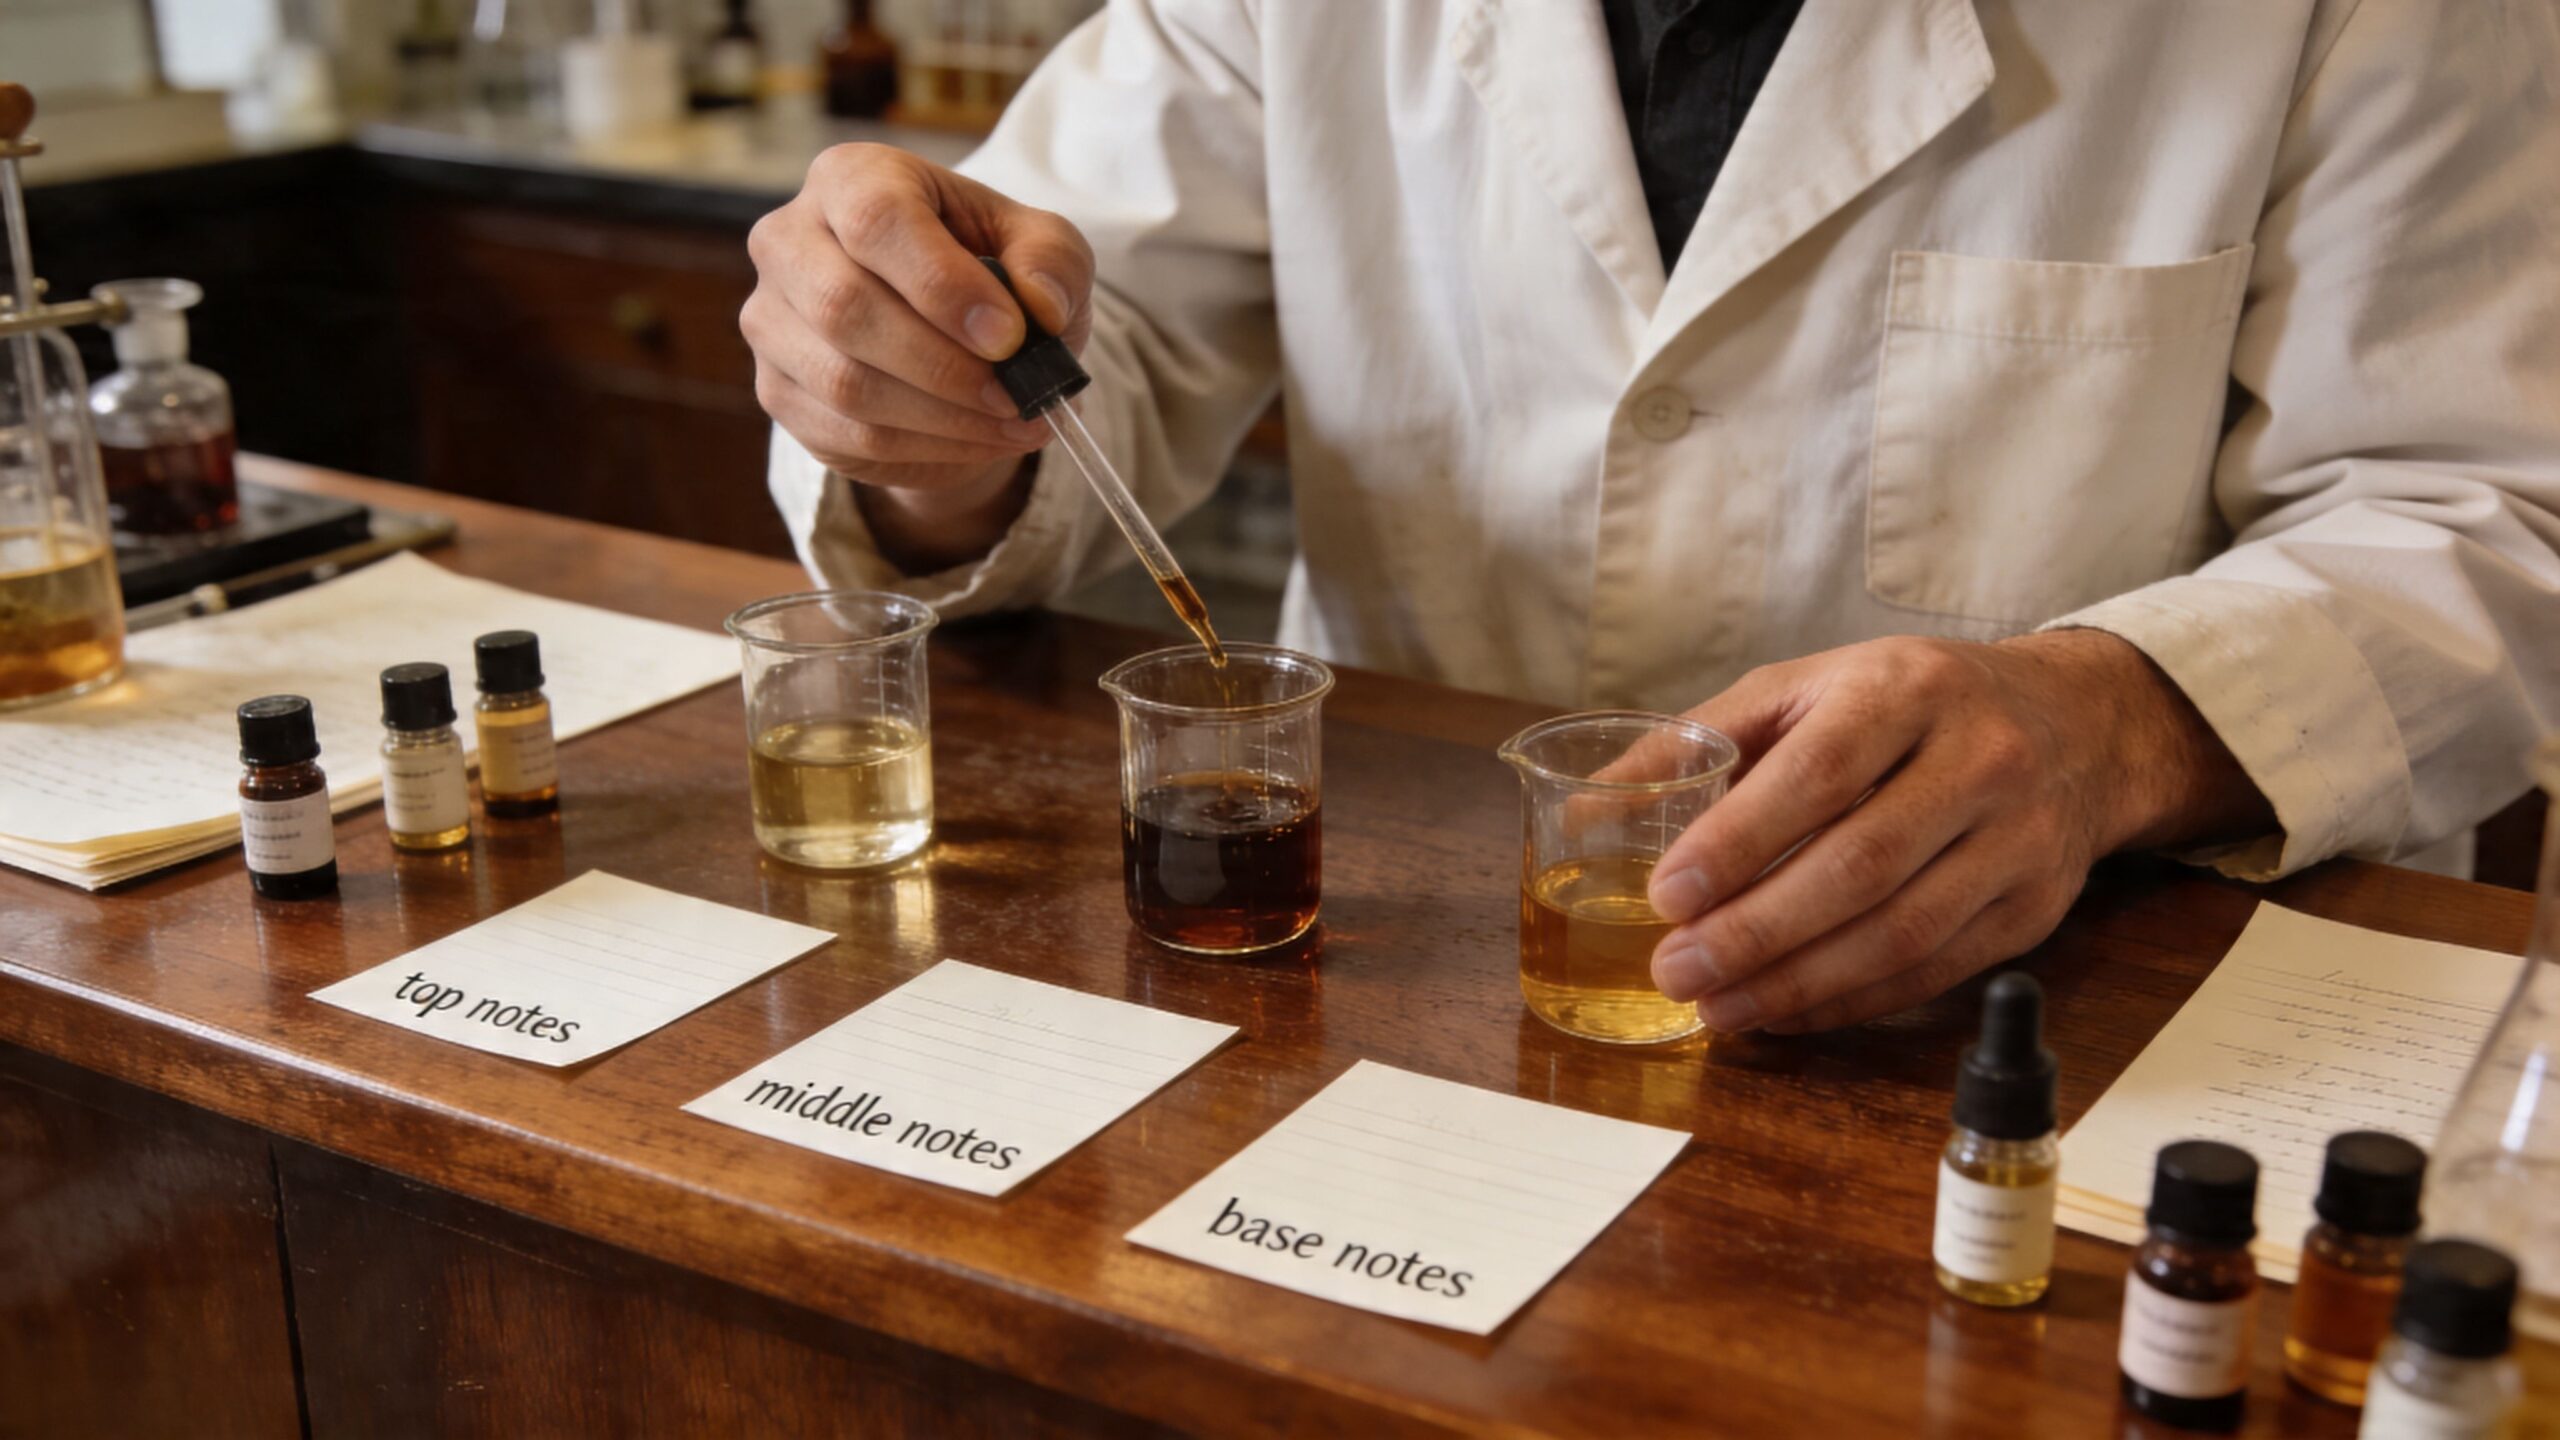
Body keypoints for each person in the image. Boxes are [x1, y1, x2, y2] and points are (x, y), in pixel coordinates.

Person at [742, 2, 2560, 1033]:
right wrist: (922, 406)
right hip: (1406, 971)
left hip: (2044, 1019)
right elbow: (1076, 331)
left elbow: (2483, 503)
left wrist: (2111, 723)